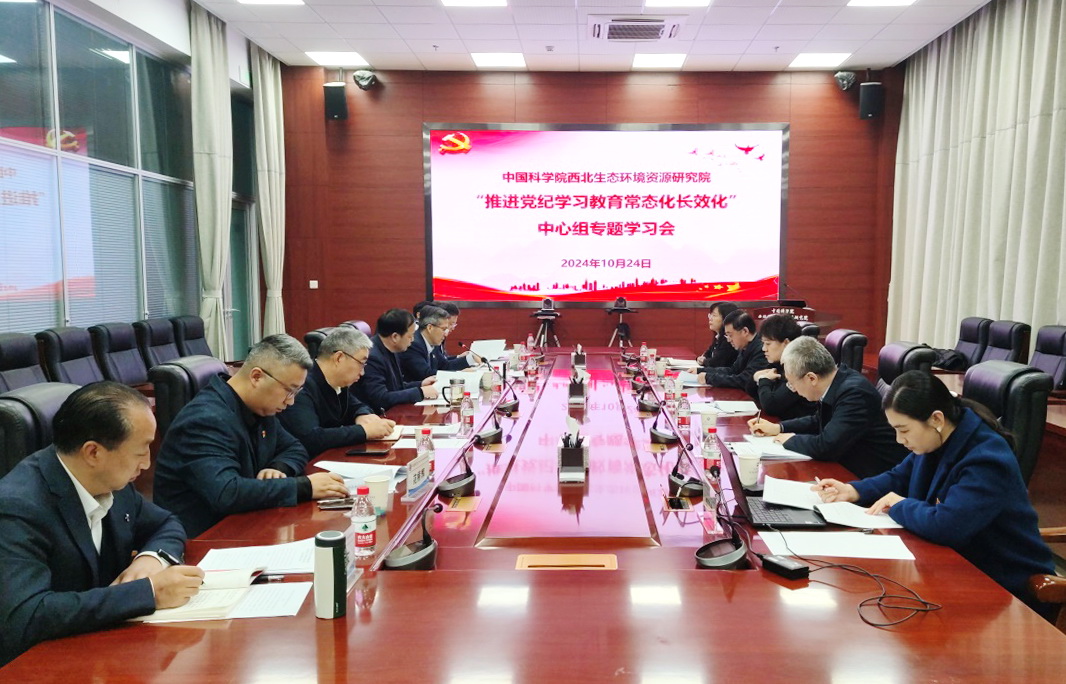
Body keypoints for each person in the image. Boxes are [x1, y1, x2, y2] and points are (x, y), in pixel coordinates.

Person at [813, 370, 1055, 615]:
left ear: (936, 419)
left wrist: (899, 505)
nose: (899, 440)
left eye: (904, 430)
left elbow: (948, 526)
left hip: (1006, 587)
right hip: (957, 566)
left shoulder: (986, 458)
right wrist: (853, 490)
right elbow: (900, 476)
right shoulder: (940, 438)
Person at [0, 382, 204, 666]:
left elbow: (165, 523)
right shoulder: (17, 507)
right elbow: (26, 616)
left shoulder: (111, 481)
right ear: (93, 453)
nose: (147, 463)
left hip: (102, 650)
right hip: (40, 666)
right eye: (140, 451)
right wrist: (148, 593)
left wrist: (151, 559)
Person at [154, 334, 349, 538]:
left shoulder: (260, 407)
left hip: (246, 523)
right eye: (289, 391)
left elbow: (295, 447)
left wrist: (278, 468)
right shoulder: (204, 419)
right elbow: (227, 492)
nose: (290, 402)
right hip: (204, 540)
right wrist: (304, 487)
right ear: (256, 377)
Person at [748, 335, 907, 478]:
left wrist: (790, 440)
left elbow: (827, 446)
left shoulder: (855, 393)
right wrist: (779, 428)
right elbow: (819, 420)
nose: (793, 389)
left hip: (870, 477)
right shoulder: (838, 380)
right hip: (848, 467)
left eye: (792, 383)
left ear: (811, 378)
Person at [279, 327, 396, 457]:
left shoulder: (339, 382)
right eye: (361, 364)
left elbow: (356, 405)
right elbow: (310, 438)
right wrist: (363, 431)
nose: (362, 372)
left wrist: (362, 415)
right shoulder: (302, 385)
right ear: (339, 358)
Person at [353, 308, 440, 413]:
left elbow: (395, 386)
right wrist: (420, 392)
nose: (413, 340)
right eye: (410, 336)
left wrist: (421, 384)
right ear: (395, 337)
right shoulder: (372, 357)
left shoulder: (390, 349)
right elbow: (381, 398)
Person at [750, 314, 816, 420]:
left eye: (768, 344)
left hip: (798, 427)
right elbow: (750, 390)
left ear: (786, 343)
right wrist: (755, 377)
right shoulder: (778, 363)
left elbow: (771, 406)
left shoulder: (801, 367)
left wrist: (763, 380)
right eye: (763, 343)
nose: (763, 349)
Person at [400, 305, 481, 382]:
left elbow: (445, 366)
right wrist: (459, 374)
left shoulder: (433, 342)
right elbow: (426, 374)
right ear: (430, 328)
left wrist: (470, 358)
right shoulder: (413, 344)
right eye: (443, 329)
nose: (446, 334)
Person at [697, 310, 769, 391]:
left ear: (745, 331)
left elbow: (744, 380)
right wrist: (701, 371)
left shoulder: (761, 350)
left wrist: (710, 378)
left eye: (730, 335)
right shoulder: (745, 346)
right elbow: (733, 370)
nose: (729, 340)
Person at [696, 301, 740, 368]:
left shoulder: (729, 340)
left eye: (714, 315)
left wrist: (704, 361)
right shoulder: (718, 336)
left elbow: (717, 363)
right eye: (710, 315)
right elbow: (708, 354)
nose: (710, 318)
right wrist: (701, 358)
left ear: (726, 318)